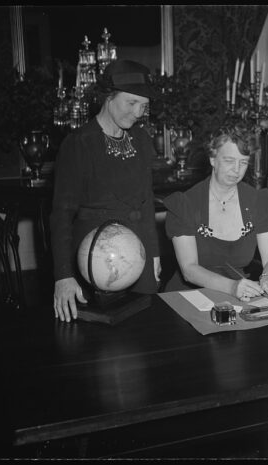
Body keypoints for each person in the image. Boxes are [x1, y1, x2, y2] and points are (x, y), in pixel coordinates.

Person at [51, 59, 161, 322]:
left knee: (144, 331)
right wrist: (63, 275)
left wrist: (154, 253)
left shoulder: (142, 140)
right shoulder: (79, 144)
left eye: (143, 106)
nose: (137, 113)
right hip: (95, 261)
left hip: (137, 255)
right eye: (131, 103)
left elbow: (147, 205)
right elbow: (61, 214)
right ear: (108, 97)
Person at [163, 123, 268, 301]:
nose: (236, 170)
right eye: (229, 161)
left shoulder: (260, 201)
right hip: (189, 297)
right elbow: (189, 269)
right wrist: (231, 287)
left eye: (243, 162)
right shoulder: (185, 203)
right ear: (213, 159)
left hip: (238, 296)